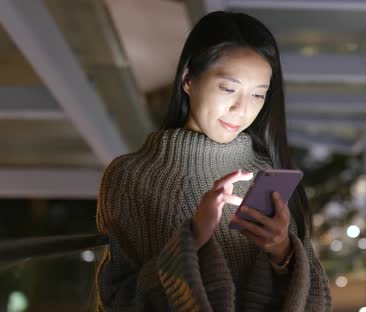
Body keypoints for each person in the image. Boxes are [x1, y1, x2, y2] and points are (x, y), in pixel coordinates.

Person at [95, 10, 332, 312]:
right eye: (228, 89)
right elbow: (117, 301)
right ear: (188, 80)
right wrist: (192, 239)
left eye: (258, 95)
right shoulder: (130, 177)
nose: (241, 109)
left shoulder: (268, 174)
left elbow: (320, 304)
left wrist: (283, 253)